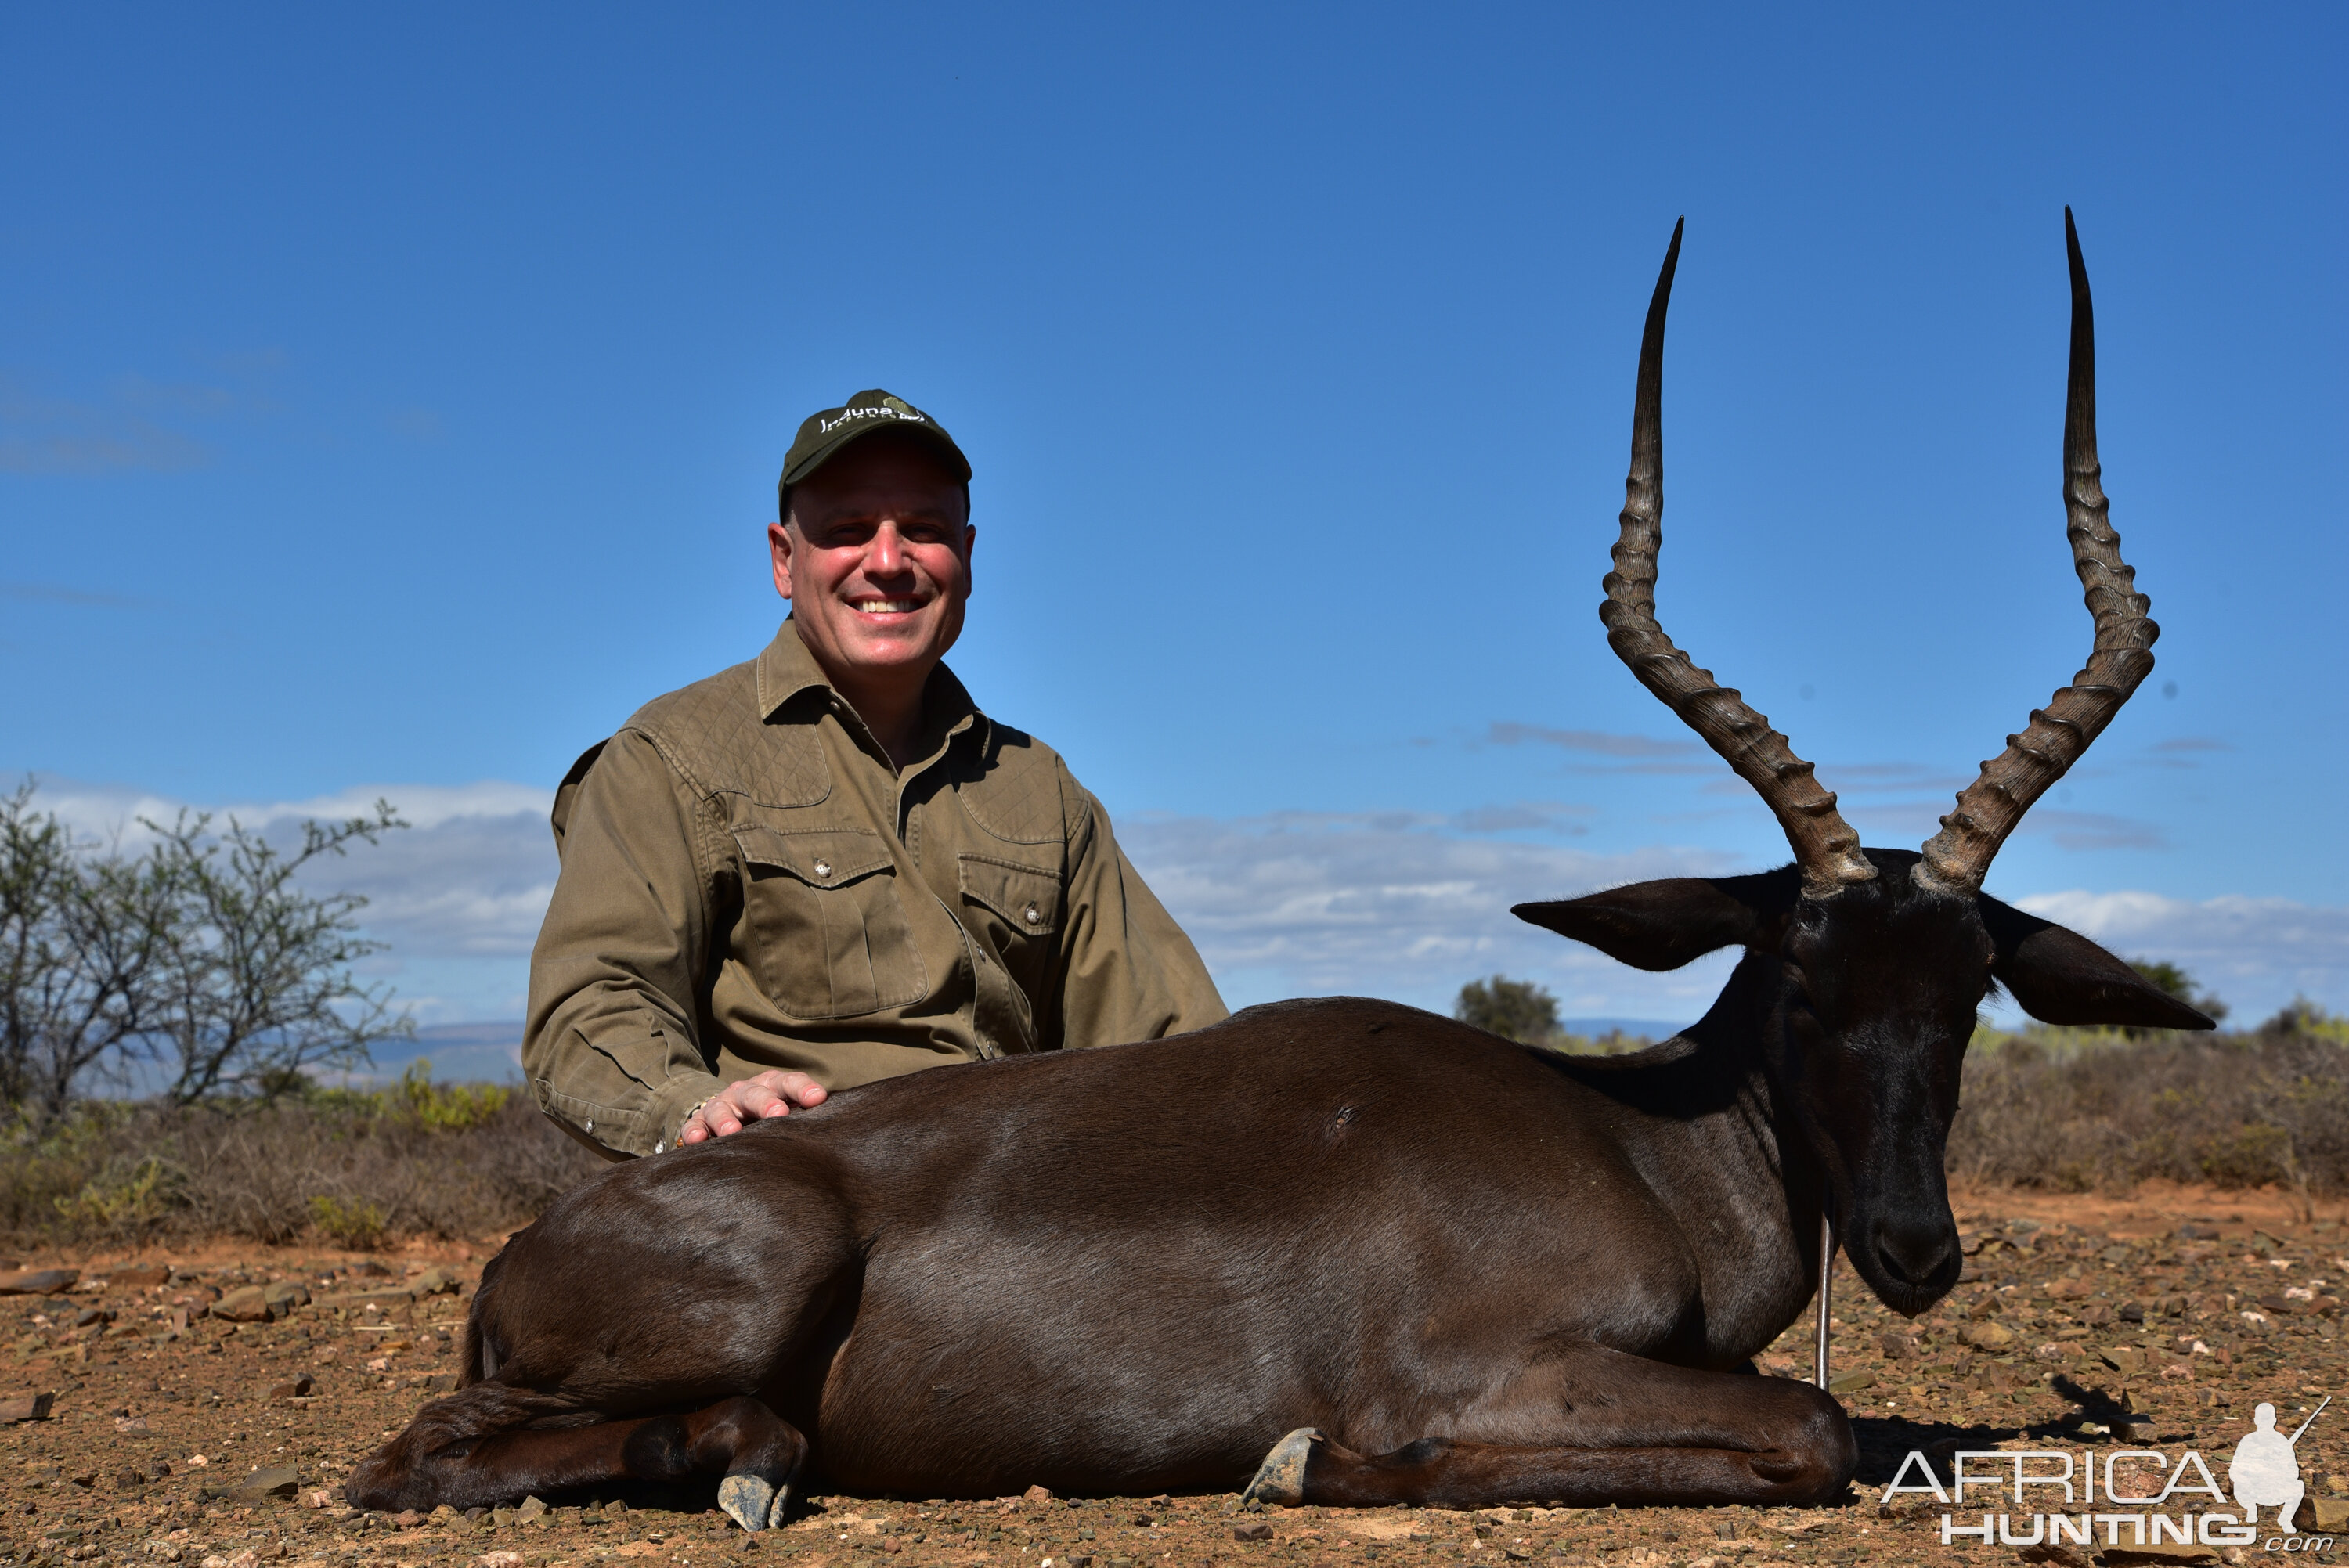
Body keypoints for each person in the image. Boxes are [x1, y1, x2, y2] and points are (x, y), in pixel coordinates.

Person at [524, 390, 1228, 1159]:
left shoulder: (1043, 789)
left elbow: (1172, 1046)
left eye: (922, 531)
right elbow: (590, 1005)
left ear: (965, 556)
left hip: (1017, 1216)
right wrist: (695, 1107)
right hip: (786, 1203)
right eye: (849, 531)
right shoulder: (669, 755)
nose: (888, 562)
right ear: (784, 560)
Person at [2228, 1401, 2308, 1528]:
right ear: (2256, 1420)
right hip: (2251, 1491)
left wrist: (2277, 1473)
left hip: (2275, 1490)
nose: (2265, 1422)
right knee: (2238, 1483)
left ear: (2274, 1420)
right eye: (2262, 1419)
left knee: (2299, 1486)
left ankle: (2285, 1519)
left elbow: (2294, 1472)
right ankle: (2251, 1509)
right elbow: (2234, 1471)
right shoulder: (2247, 1441)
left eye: (2267, 1419)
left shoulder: (2282, 1441)